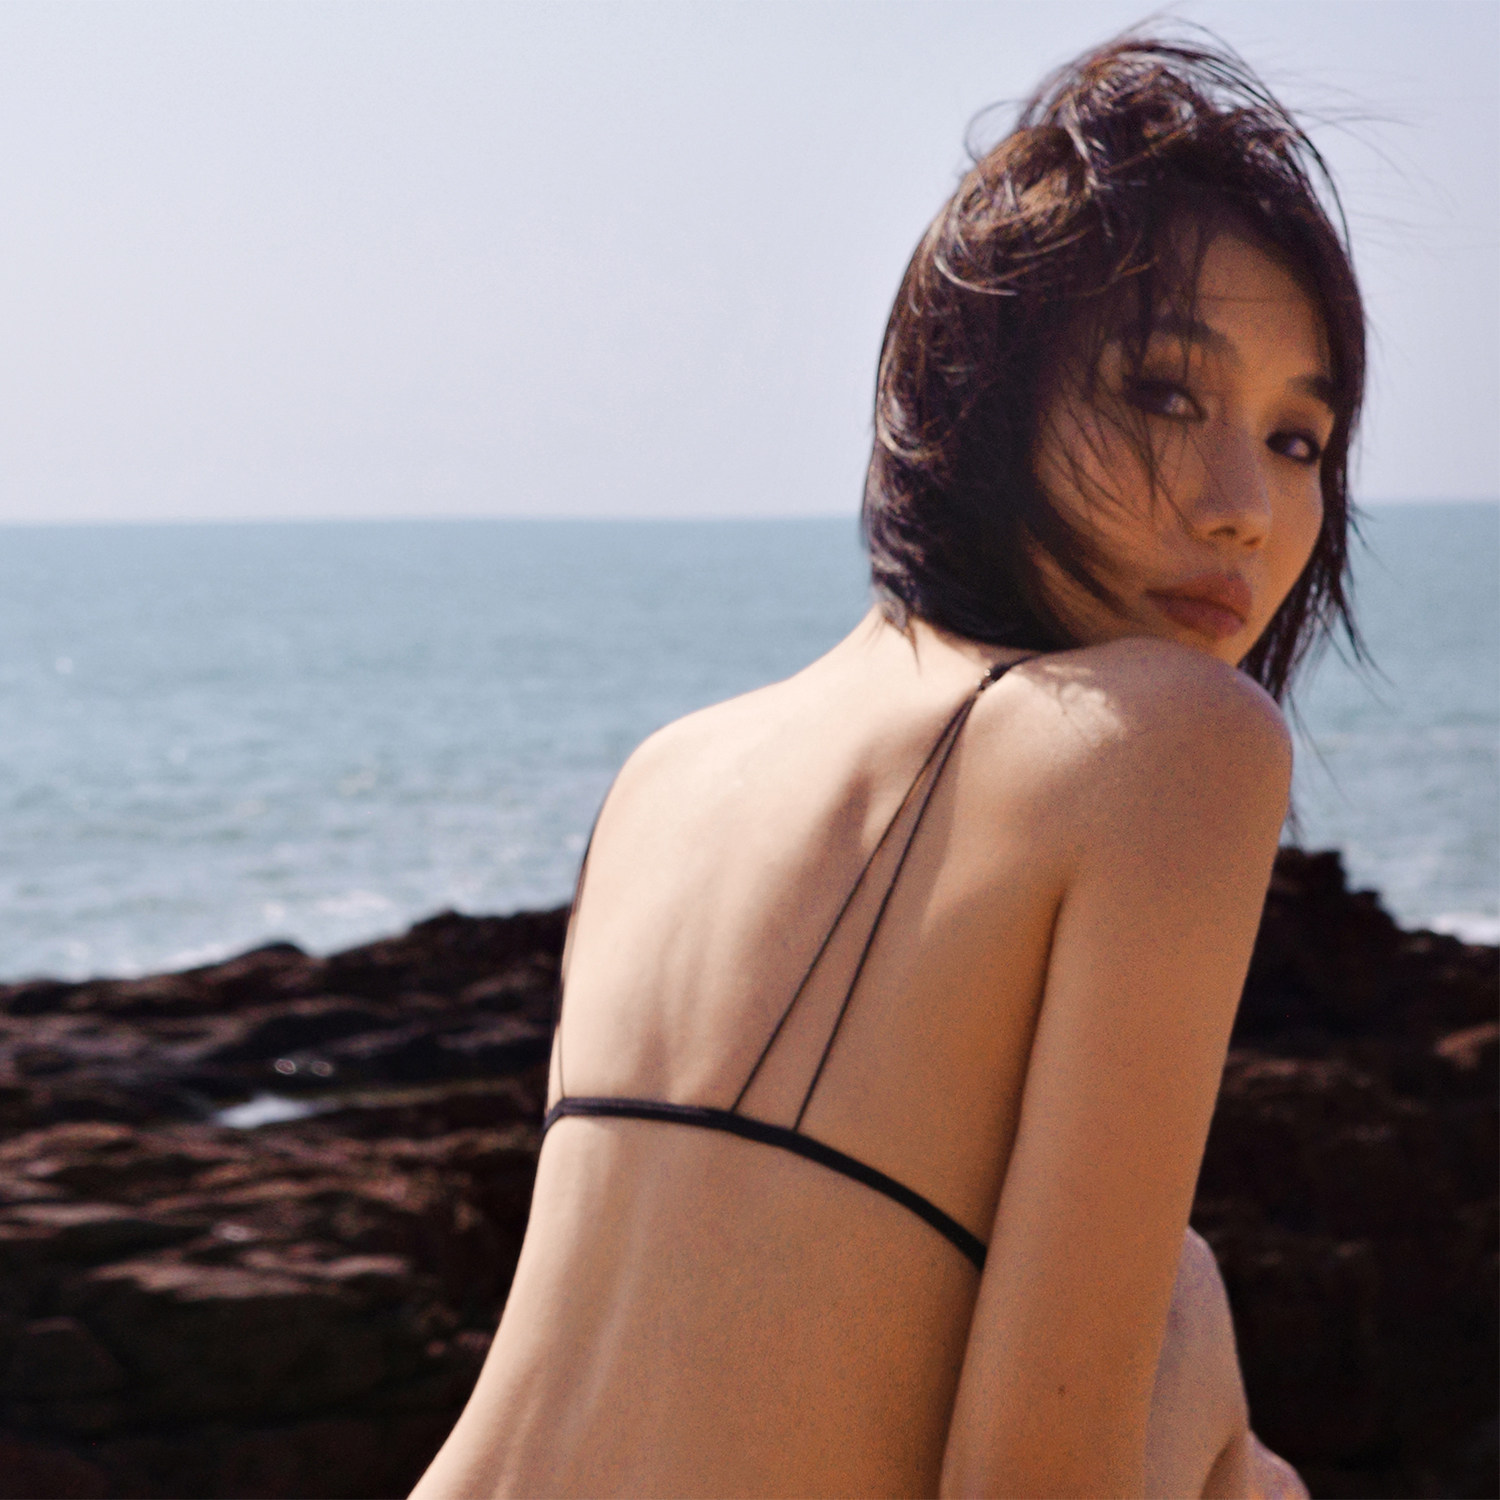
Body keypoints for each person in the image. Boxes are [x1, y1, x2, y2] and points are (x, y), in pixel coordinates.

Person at [413, 31, 1363, 1500]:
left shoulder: (670, 774)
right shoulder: (1166, 742)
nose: (1247, 507)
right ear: (980, 394)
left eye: (1298, 439)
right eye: (1166, 395)